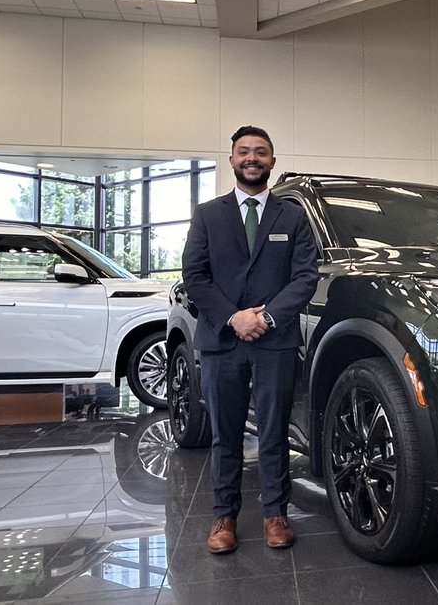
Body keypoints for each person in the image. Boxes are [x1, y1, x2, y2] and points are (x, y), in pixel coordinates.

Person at [181, 125, 318, 554]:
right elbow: (194, 276)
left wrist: (269, 318)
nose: (252, 158)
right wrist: (233, 317)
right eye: (244, 152)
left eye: (261, 152)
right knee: (225, 435)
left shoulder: (293, 217)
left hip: (274, 342)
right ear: (232, 160)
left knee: (275, 431)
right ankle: (224, 517)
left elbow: (305, 277)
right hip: (223, 340)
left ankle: (276, 514)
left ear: (272, 161)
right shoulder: (208, 214)